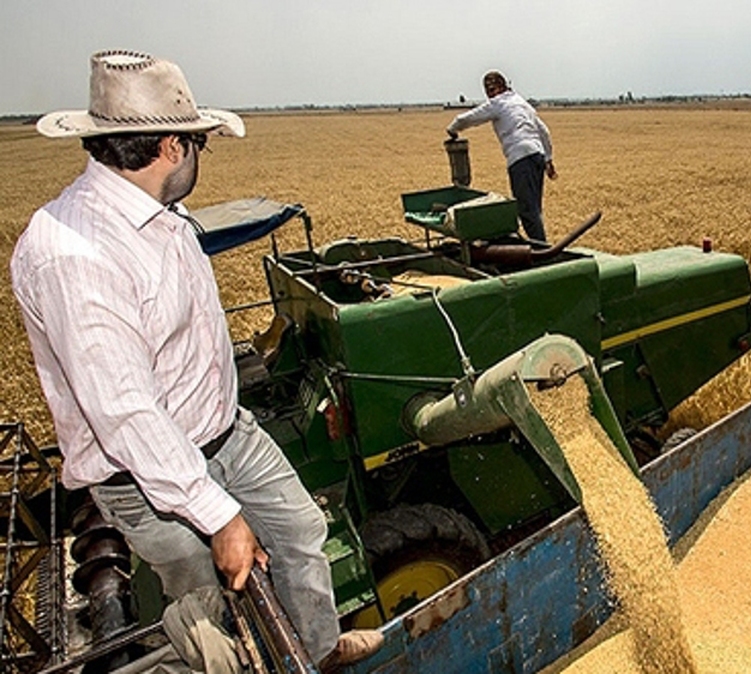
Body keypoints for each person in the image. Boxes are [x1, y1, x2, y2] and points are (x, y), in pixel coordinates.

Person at [10, 50, 381, 672]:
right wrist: (219, 516)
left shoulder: (163, 214)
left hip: (227, 432)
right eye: (198, 143)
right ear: (173, 148)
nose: (199, 155)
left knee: (300, 535)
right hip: (144, 477)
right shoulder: (73, 255)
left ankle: (317, 650)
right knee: (211, 610)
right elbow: (127, 417)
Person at [446, 70, 557, 241]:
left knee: (527, 211)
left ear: (502, 87)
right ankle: (538, 245)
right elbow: (543, 131)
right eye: (487, 90)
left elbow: (468, 118)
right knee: (534, 208)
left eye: (492, 89)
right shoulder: (521, 102)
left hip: (520, 158)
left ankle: (543, 251)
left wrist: (452, 129)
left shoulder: (498, 103)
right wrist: (548, 159)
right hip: (537, 156)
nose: (490, 94)